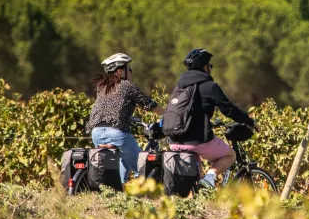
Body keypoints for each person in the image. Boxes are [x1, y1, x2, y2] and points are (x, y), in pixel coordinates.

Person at [166, 48, 258, 190]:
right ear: (205, 67)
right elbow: (229, 109)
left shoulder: (179, 87)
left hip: (174, 141)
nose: (211, 68)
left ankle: (197, 195)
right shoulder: (209, 86)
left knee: (196, 178)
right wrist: (250, 121)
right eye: (210, 65)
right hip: (197, 141)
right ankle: (210, 177)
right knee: (230, 155)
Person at [86, 52, 160, 185]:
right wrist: (169, 114)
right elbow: (149, 105)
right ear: (120, 71)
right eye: (129, 68)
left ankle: (120, 187)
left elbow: (109, 110)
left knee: (115, 164)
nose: (131, 71)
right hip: (116, 133)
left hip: (96, 132)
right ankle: (140, 194)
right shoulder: (127, 86)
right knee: (142, 168)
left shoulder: (102, 87)